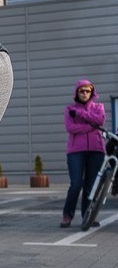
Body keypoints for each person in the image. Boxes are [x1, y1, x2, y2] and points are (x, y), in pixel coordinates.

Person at [60, 79, 105, 228]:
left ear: (92, 92)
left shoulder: (99, 107)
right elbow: (71, 128)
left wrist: (81, 114)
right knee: (76, 184)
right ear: (77, 92)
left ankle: (88, 216)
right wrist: (91, 127)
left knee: (90, 186)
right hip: (75, 152)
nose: (85, 93)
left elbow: (100, 120)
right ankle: (67, 215)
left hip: (96, 151)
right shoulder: (69, 109)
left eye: (87, 91)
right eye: (82, 90)